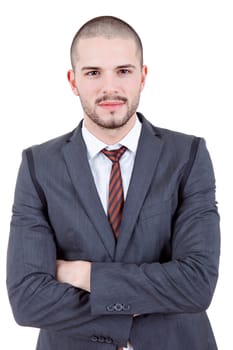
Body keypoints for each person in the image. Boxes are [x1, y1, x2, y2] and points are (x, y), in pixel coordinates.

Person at [7, 15, 220, 350]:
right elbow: (27, 299)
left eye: (123, 71)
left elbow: (197, 284)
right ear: (72, 80)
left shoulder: (188, 156)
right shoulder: (38, 165)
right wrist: (137, 305)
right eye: (93, 73)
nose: (110, 88)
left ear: (143, 76)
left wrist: (83, 275)